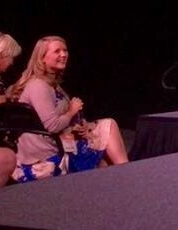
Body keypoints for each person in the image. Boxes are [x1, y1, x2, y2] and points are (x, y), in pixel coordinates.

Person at [8, 35, 129, 182]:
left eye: (65, 50)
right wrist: (72, 110)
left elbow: (57, 118)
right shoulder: (38, 85)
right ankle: (126, 174)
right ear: (42, 58)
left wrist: (79, 126)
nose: (63, 54)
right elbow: (52, 126)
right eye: (57, 51)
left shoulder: (51, 83)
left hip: (60, 139)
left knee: (105, 144)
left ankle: (119, 179)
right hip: (47, 152)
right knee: (108, 126)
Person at [0, 32, 22, 188]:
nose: (11, 63)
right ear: (1, 55)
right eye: (11, 57)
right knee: (8, 159)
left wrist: (5, 97)